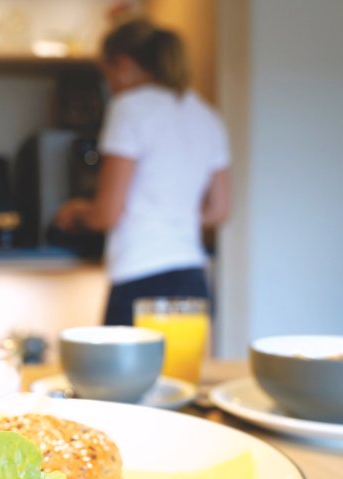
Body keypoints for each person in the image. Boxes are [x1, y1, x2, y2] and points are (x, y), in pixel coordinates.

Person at [56, 18, 231, 326]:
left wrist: (75, 213)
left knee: (122, 362)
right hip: (193, 279)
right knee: (185, 362)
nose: (110, 86)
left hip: (141, 277)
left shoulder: (130, 108)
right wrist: (171, 215)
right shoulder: (206, 115)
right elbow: (219, 210)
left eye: (107, 76)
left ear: (123, 65)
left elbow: (107, 213)